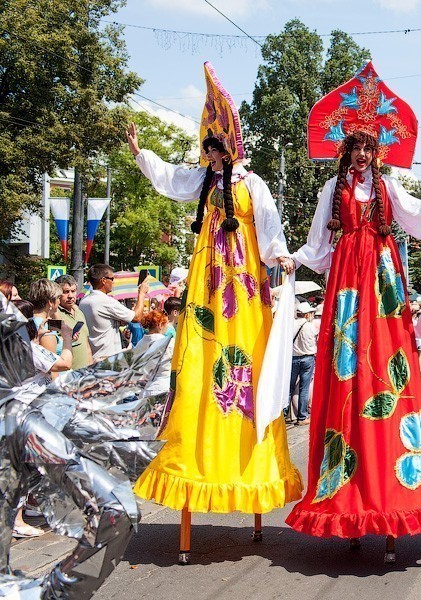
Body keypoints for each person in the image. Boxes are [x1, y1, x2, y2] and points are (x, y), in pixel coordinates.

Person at [126, 61, 302, 563]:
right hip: (207, 288)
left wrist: (281, 257)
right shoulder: (201, 180)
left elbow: (269, 232)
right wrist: (142, 156)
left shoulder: (253, 184)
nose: (210, 153)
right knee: (201, 371)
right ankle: (194, 461)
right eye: (206, 145)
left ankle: (249, 477)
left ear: (232, 147)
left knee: (245, 369)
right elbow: (168, 179)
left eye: (216, 145)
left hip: (243, 288)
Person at [286, 130, 421, 552]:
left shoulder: (387, 187)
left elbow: (418, 215)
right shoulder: (332, 189)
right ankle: (347, 490)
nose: (362, 155)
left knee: (384, 370)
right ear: (345, 152)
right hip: (346, 279)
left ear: (375, 154)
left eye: (368, 149)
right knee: (347, 371)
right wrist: (287, 257)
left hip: (382, 280)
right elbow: (317, 246)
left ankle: (392, 489)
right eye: (355, 149)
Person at [80, 264, 149, 361]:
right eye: (112, 279)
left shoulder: (84, 301)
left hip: (92, 356)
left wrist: (119, 322)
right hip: (107, 358)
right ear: (103, 280)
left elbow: (101, 322)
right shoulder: (105, 301)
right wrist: (141, 293)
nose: (113, 282)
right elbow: (136, 318)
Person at [132, 310, 174, 398]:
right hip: (162, 387)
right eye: (166, 324)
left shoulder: (140, 343)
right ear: (160, 325)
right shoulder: (169, 343)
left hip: (144, 389)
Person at [55, 274, 93, 368]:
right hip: (67, 375)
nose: (70, 296)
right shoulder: (54, 314)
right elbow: (52, 344)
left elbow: (86, 344)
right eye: (66, 292)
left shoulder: (79, 312)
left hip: (85, 373)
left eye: (73, 291)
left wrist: (91, 369)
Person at [288, 301, 317, 425]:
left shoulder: (291, 325)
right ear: (306, 314)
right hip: (307, 359)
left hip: (293, 358)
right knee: (304, 388)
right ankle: (302, 416)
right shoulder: (310, 326)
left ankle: (284, 413)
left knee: (288, 387)